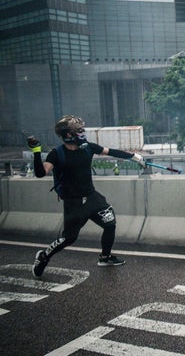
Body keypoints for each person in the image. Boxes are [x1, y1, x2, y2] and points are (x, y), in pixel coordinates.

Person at [27, 115, 147, 277]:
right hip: (73, 202)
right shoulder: (57, 154)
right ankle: (43, 256)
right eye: (79, 130)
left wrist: (134, 157)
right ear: (68, 134)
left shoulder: (87, 147)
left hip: (91, 197)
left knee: (110, 223)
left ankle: (105, 257)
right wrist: (36, 151)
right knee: (69, 238)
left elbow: (110, 151)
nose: (83, 132)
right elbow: (41, 173)